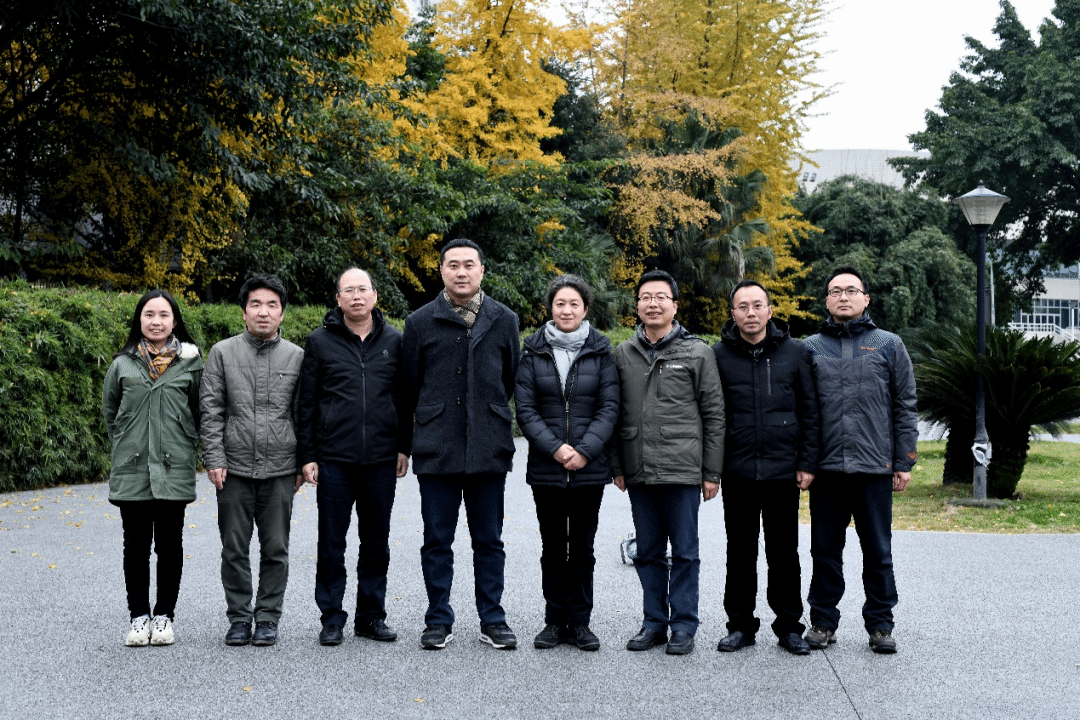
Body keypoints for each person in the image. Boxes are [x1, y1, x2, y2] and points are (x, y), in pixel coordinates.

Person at [402, 238, 521, 650]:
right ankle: (438, 619)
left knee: (489, 541)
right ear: (441, 271)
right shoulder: (419, 321)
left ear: (482, 270)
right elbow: (411, 384)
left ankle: (493, 619)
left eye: (469, 264)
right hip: (437, 446)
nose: (461, 272)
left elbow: (509, 379)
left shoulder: (504, 319)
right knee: (437, 540)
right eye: (453, 265)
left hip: (488, 445)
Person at [803, 266, 917, 654]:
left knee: (878, 551)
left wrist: (904, 460)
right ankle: (822, 622)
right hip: (827, 470)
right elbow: (803, 411)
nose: (844, 296)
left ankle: (881, 625)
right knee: (824, 551)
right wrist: (805, 463)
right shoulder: (810, 347)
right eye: (836, 291)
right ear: (827, 300)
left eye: (852, 290)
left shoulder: (888, 344)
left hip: (874, 468)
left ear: (866, 298)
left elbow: (905, 405)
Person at [610, 269, 725, 656]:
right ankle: (654, 623)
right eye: (645, 297)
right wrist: (617, 466)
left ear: (675, 305)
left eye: (661, 297)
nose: (653, 303)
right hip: (639, 468)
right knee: (648, 552)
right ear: (637, 306)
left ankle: (684, 626)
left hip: (683, 469)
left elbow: (714, 415)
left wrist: (711, 472)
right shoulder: (623, 354)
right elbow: (614, 413)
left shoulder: (698, 352)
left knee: (686, 552)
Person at [296, 268, 410, 647]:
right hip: (334, 458)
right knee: (331, 543)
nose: (357, 296)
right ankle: (332, 618)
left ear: (375, 295)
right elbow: (307, 403)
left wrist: (403, 447)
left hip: (381, 458)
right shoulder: (320, 342)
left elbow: (404, 400)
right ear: (338, 299)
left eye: (363, 289)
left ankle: (371, 617)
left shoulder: (395, 341)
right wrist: (308, 455)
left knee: (376, 541)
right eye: (349, 290)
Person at [712, 280, 819, 656]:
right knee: (739, 553)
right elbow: (711, 414)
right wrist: (712, 469)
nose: (751, 313)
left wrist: (807, 462)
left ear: (770, 310)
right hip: (737, 470)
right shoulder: (718, 355)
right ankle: (740, 626)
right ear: (733, 314)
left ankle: (789, 626)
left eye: (758, 305)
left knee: (784, 553)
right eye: (743, 307)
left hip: (783, 471)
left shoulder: (796, 352)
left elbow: (810, 411)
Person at [515, 274, 620, 651]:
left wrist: (584, 450)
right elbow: (526, 409)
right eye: (560, 303)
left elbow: (609, 408)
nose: (567, 310)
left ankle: (580, 621)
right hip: (547, 468)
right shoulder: (532, 352)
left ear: (585, 309)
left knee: (583, 549)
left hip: (589, 469)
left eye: (574, 304)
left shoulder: (601, 352)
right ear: (551, 308)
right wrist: (557, 449)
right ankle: (554, 619)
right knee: (553, 548)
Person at [200, 274, 304, 647]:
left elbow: (303, 415)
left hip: (281, 468)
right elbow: (211, 409)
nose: (263, 312)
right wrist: (214, 457)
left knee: (276, 549)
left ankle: (268, 618)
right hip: (234, 467)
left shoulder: (297, 356)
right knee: (234, 549)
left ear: (282, 313)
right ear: (244, 312)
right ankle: (240, 618)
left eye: (272, 305)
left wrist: (302, 463)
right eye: (255, 304)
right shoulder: (222, 353)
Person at [102, 289, 203, 647]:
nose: (156, 321)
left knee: (170, 546)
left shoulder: (191, 364)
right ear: (139, 320)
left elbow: (199, 411)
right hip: (132, 469)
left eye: (163, 315)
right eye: (149, 314)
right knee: (135, 547)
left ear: (175, 321)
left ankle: (164, 617)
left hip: (174, 467)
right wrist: (128, 441)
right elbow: (111, 414)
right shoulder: (122, 364)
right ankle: (138, 616)